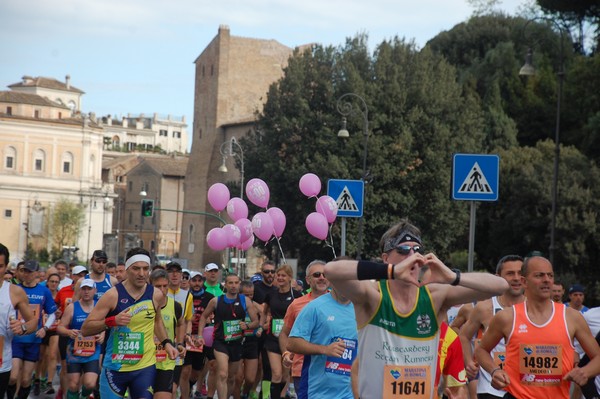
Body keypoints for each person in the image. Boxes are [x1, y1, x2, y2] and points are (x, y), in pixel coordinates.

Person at [323, 219, 509, 399]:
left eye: (417, 250)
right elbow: (331, 270)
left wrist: (452, 276)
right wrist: (391, 271)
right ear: (386, 258)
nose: (412, 256)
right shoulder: (373, 295)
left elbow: (500, 286)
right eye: (403, 250)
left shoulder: (434, 296)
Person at [474, 256, 600, 399]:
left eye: (550, 275)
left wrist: (586, 372)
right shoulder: (507, 317)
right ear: (524, 281)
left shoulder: (571, 317)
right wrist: (494, 371)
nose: (546, 280)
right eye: (539, 275)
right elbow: (481, 350)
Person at [81, 247, 178, 399]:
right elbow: (86, 329)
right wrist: (112, 321)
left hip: (144, 367)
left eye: (145, 269)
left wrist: (167, 343)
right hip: (115, 367)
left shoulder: (155, 294)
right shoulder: (113, 295)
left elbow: (157, 321)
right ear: (127, 269)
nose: (141, 273)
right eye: (136, 268)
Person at [459, 255, 525, 399]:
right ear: (498, 278)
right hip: (491, 388)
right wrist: (469, 362)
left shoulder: (533, 308)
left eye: (520, 273)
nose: (516, 278)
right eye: (510, 273)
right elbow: (464, 335)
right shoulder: (485, 308)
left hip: (524, 388)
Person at [288, 283, 357, 399]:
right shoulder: (315, 307)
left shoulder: (362, 309)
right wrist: (325, 349)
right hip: (318, 392)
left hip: (350, 392)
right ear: (332, 280)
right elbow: (292, 343)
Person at [197, 274, 260, 399]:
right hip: (220, 343)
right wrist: (200, 335)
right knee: (222, 374)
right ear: (225, 284)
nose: (233, 286)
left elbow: (256, 321)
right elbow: (203, 316)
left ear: (239, 284)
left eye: (236, 283)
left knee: (231, 378)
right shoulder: (216, 301)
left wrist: (247, 326)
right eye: (230, 283)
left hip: (237, 343)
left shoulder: (245, 300)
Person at [8, 260, 59, 399]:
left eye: (30, 271)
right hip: (16, 339)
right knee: (12, 377)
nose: (26, 274)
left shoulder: (44, 291)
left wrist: (45, 328)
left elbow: (52, 313)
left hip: (33, 340)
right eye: (24, 271)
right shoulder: (15, 289)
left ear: (37, 273)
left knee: (25, 380)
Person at [279, 260, 330, 390]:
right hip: (303, 369)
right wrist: (285, 353)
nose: (322, 278)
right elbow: (285, 333)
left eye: (325, 274)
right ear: (308, 280)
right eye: (317, 275)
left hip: (333, 369)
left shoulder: (340, 303)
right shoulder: (297, 304)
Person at [0, 243, 37, 399]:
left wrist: (22, 328)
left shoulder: (14, 292)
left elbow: (33, 322)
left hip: (2, 361)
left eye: (0, 266)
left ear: (6, 266)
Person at [57, 279, 103, 399]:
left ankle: (83, 396)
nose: (86, 292)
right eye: (84, 289)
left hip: (93, 352)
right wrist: (68, 332)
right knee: (73, 385)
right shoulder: (72, 307)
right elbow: (60, 327)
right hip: (74, 352)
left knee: (90, 383)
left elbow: (105, 324)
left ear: (95, 290)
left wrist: (102, 334)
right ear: (80, 291)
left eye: (89, 289)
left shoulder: (99, 306)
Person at [263, 264, 302, 399]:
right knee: (276, 373)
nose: (279, 278)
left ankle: (279, 395)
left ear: (290, 278)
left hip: (289, 339)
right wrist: (264, 322)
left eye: (283, 275)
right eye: (278, 275)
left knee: (285, 374)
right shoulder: (271, 294)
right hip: (273, 337)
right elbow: (265, 310)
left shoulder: (296, 295)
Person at [149, 268, 187, 399]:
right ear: (150, 286)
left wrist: (180, 343)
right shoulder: (144, 305)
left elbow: (181, 323)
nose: (162, 289)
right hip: (145, 361)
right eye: (157, 286)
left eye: (165, 286)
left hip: (166, 360)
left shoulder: (175, 306)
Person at [55, 265, 88, 399]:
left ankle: (78, 393)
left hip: (84, 336)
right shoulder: (63, 291)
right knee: (65, 366)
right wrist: (57, 313)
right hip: (67, 333)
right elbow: (55, 306)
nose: (82, 277)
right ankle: (63, 392)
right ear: (73, 276)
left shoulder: (88, 291)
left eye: (84, 275)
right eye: (79, 275)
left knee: (81, 370)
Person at [182, 271, 214, 399]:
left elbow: (214, 317)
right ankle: (184, 394)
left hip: (201, 338)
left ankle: (190, 386)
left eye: (199, 280)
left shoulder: (209, 297)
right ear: (190, 282)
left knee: (196, 372)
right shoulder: (185, 296)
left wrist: (209, 319)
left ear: (203, 282)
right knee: (185, 370)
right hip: (187, 337)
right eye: (194, 280)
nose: (196, 283)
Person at [166, 261, 194, 399]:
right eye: (171, 271)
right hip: (157, 346)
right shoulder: (159, 293)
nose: (175, 274)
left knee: (172, 389)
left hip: (177, 346)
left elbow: (188, 320)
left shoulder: (188, 295)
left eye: (178, 271)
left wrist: (186, 335)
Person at [233, 280, 264, 399]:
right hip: (237, 341)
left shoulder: (254, 304)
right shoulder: (235, 303)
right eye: (246, 295)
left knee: (250, 379)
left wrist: (260, 327)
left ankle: (244, 393)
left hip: (252, 341)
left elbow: (264, 313)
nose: (249, 297)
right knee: (238, 377)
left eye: (251, 294)